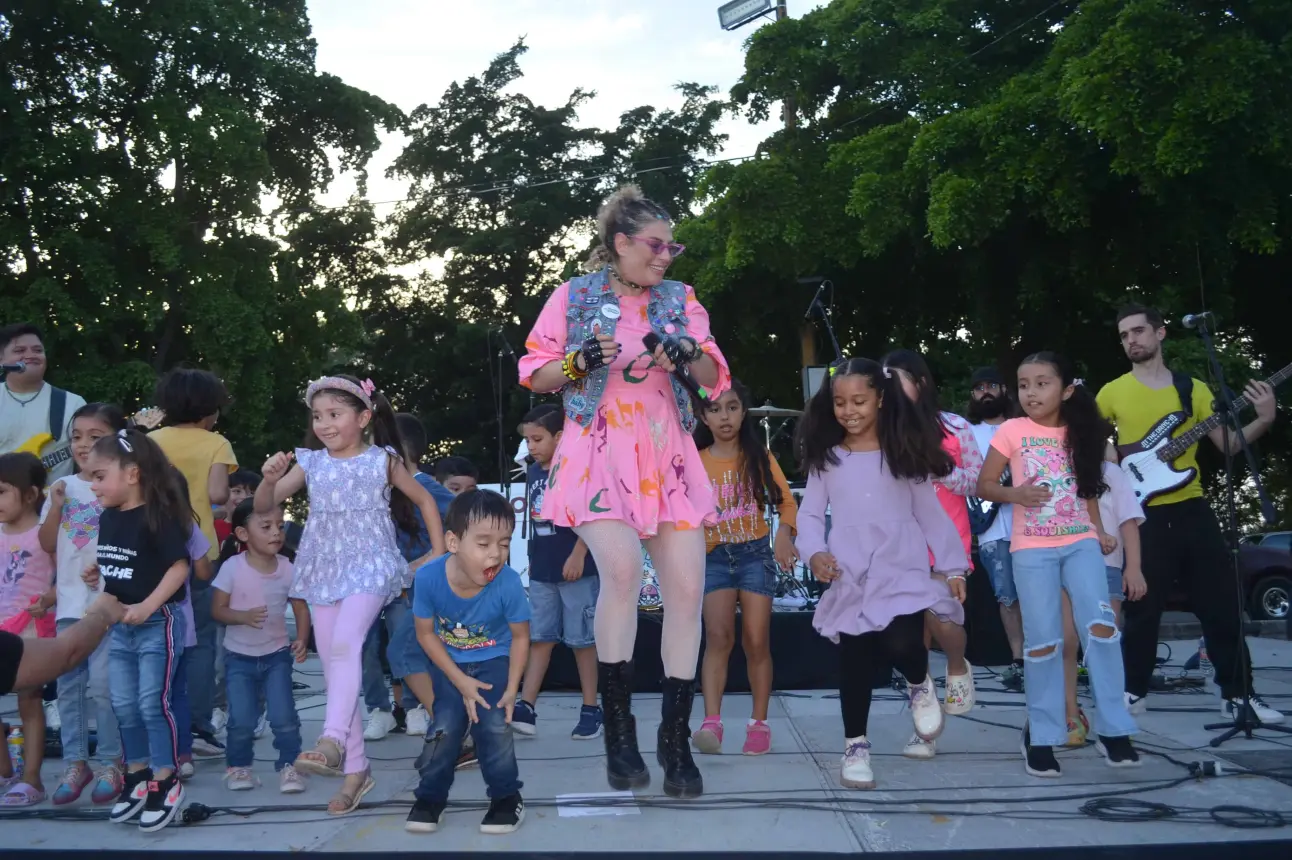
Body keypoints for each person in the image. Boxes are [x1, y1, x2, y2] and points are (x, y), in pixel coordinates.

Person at [519, 184, 730, 798]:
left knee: (687, 592)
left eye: (672, 246)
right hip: (597, 449)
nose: (666, 256)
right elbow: (536, 370)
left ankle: (674, 742)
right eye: (656, 245)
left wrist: (689, 351)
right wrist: (581, 360)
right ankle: (618, 734)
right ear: (620, 244)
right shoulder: (574, 296)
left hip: (666, 450)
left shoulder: (680, 299)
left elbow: (716, 380)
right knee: (618, 571)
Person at [254, 374, 445, 816]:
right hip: (324, 566)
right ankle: (356, 769)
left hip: (371, 564)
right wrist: (267, 480)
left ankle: (332, 739)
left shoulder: (384, 460)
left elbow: (426, 501)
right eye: (317, 415)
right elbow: (266, 506)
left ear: (363, 418)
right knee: (340, 662)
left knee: (345, 645)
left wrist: (436, 554)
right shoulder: (311, 462)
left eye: (334, 414)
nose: (323, 424)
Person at [1097, 305, 1283, 723]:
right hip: (1142, 515)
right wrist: (1116, 460)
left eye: (1139, 331)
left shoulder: (1193, 389)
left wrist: (1265, 418)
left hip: (1193, 507)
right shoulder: (1111, 392)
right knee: (1142, 608)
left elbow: (1230, 445)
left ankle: (1238, 694)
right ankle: (1132, 691)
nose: (1131, 340)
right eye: (1124, 335)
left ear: (1160, 333)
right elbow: (1086, 438)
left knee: (1221, 604)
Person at [794, 358, 966, 789]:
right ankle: (855, 747)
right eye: (839, 403)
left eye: (859, 401)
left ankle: (918, 681)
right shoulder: (827, 460)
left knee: (904, 640)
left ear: (881, 400)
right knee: (855, 660)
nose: (848, 411)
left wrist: (951, 566)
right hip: (851, 571)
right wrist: (814, 552)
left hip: (902, 565)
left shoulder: (903, 455)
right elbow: (811, 515)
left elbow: (932, 515)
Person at [976, 352, 1141, 777]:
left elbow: (1086, 487)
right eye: (1025, 384)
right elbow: (985, 485)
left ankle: (1114, 729)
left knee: (1102, 629)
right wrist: (1017, 496)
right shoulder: (1012, 431)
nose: (1032, 392)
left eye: (1042, 383)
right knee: (1044, 641)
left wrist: (1100, 528)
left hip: (1081, 542)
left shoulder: (1080, 432)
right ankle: (1042, 734)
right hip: (1031, 548)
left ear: (1066, 389)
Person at [81, 429, 193, 831]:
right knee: (122, 704)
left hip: (155, 625)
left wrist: (149, 605)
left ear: (132, 474)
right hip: (121, 627)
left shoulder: (156, 517)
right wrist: (99, 576)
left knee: (151, 703)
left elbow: (179, 567)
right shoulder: (109, 516)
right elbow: (121, 565)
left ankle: (166, 779)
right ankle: (139, 776)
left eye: (98, 475)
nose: (92, 486)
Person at [406, 490, 530, 835]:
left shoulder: (508, 583)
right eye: (484, 543)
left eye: (504, 544)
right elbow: (426, 635)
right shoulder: (429, 578)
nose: (496, 554)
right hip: (449, 662)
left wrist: (512, 689)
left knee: (493, 726)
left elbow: (521, 637)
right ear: (453, 542)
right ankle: (430, 798)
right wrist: (458, 680)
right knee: (444, 727)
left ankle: (507, 798)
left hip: (494, 659)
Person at [881, 349, 979, 760]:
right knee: (910, 641)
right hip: (900, 544)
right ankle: (926, 733)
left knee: (942, 620)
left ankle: (957, 662)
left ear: (919, 381)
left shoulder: (955, 427)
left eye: (894, 377)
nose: (885, 385)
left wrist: (937, 469)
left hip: (946, 542)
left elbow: (975, 480)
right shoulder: (879, 431)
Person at [691, 382, 798, 756]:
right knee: (718, 637)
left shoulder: (759, 456)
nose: (725, 416)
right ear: (703, 416)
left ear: (743, 412)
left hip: (755, 556)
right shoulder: (695, 459)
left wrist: (784, 535)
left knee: (756, 640)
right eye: (716, 409)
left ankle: (759, 723)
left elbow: (787, 504)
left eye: (733, 407)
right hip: (714, 556)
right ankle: (712, 722)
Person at [37, 404, 128, 805]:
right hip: (71, 605)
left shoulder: (124, 486)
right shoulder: (63, 488)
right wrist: (55, 506)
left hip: (110, 604)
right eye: (77, 436)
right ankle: (76, 762)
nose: (84, 444)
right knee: (69, 687)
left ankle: (112, 761)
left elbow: (132, 543)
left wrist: (103, 571)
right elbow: (45, 544)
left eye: (96, 436)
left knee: (105, 688)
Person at [148, 368, 239, 756]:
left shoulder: (149, 441)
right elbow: (219, 492)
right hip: (200, 552)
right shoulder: (217, 443)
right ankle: (199, 725)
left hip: (151, 550)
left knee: (156, 639)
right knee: (200, 642)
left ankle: (161, 721)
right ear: (209, 409)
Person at [511, 404, 603, 740]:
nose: (531, 446)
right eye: (528, 440)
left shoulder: (578, 469)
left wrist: (579, 552)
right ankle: (526, 706)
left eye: (537, 439)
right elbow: (539, 521)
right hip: (543, 569)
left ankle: (592, 707)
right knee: (540, 637)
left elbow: (592, 516)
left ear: (560, 437)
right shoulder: (534, 472)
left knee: (582, 640)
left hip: (577, 567)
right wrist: (534, 558)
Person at [361, 414, 453, 741]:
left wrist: (431, 559)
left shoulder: (428, 488)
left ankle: (416, 706)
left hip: (409, 587)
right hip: (372, 584)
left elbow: (460, 519)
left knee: (404, 642)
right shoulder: (372, 489)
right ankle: (379, 709)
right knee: (365, 645)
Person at [212, 498, 310, 794]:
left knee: (284, 716)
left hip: (277, 656)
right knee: (241, 718)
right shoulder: (232, 567)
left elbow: (301, 608)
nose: (276, 533)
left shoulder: (288, 568)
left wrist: (302, 639)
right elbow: (217, 609)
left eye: (280, 526)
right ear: (243, 534)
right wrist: (241, 616)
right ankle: (239, 767)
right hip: (238, 657)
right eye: (266, 526)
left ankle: (290, 766)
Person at [1062, 460, 1147, 746]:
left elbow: (1129, 521)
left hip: (1107, 566)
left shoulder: (1110, 471)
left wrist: (1133, 568)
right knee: (1067, 640)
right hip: (1060, 566)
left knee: (1103, 644)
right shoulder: (1048, 463)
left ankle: (1111, 718)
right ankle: (1070, 713)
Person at [0, 452, 56, 806]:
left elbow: (64, 580)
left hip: (30, 630)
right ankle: (6, 775)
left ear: (32, 494)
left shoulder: (43, 536)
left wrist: (48, 599)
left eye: (2, 491)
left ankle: (32, 779)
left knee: (30, 701)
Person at [965, 368, 1024, 690]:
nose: (985, 392)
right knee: (1006, 596)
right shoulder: (968, 433)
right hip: (991, 527)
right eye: (979, 388)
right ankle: (1019, 661)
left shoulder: (1025, 428)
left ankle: (1047, 657)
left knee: (1040, 595)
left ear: (1004, 389)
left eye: (991, 385)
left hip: (1033, 524)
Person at [166, 469, 214, 781]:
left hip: (153, 623)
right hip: (181, 622)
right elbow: (204, 573)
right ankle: (182, 754)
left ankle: (162, 755)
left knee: (156, 694)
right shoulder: (187, 526)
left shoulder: (140, 526)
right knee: (176, 693)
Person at [0, 323, 88, 481]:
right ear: (2, 359)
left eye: (37, 350)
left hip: (52, 502)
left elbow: (90, 460)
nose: (30, 355)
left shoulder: (73, 403)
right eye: (19, 350)